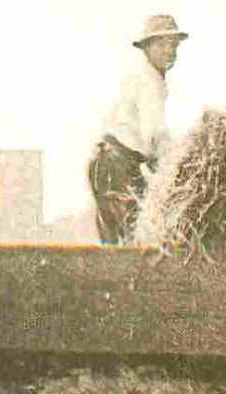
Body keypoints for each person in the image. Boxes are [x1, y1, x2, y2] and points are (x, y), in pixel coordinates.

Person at [88, 14, 188, 243]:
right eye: (162, 45)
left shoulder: (139, 75)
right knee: (137, 239)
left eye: (173, 45)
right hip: (118, 166)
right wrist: (175, 169)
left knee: (114, 243)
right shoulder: (150, 81)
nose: (169, 51)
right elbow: (155, 135)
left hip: (105, 162)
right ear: (146, 47)